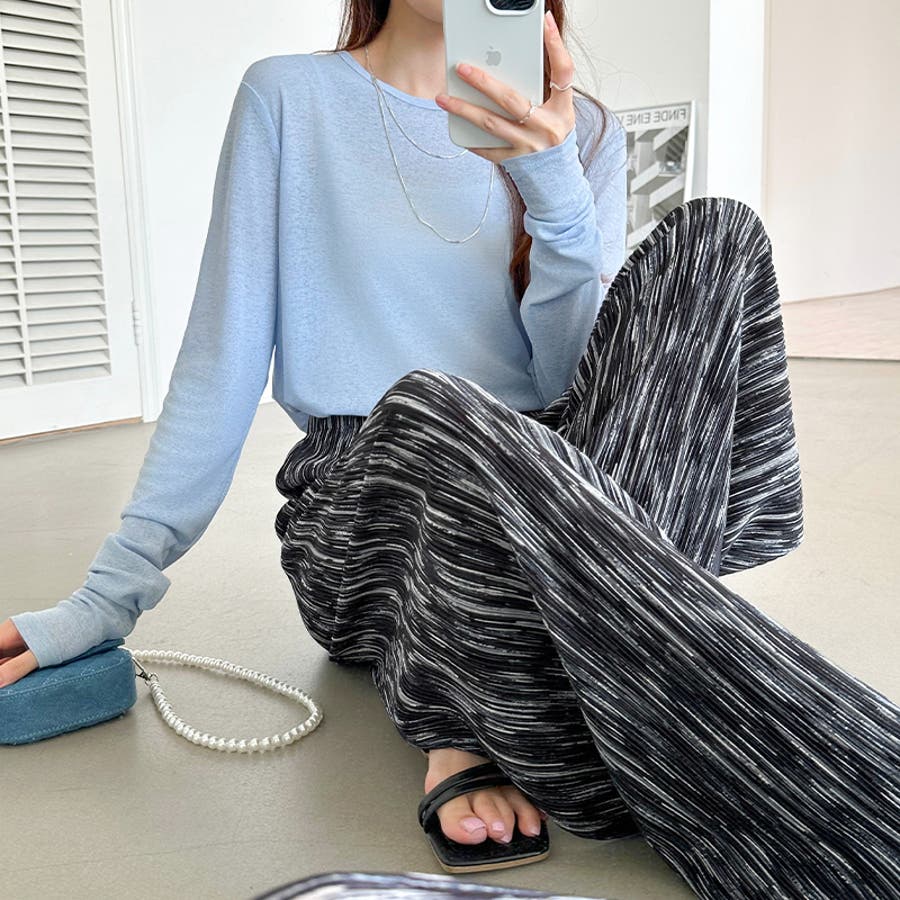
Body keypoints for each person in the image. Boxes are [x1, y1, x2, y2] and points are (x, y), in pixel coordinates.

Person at [2, 1, 899, 897]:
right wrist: (106, 599)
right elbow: (219, 361)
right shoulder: (289, 97)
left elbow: (573, 379)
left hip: (549, 502)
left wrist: (551, 180)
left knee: (718, 236)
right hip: (375, 505)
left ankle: (524, 706)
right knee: (440, 401)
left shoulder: (577, 126)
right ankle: (542, 714)